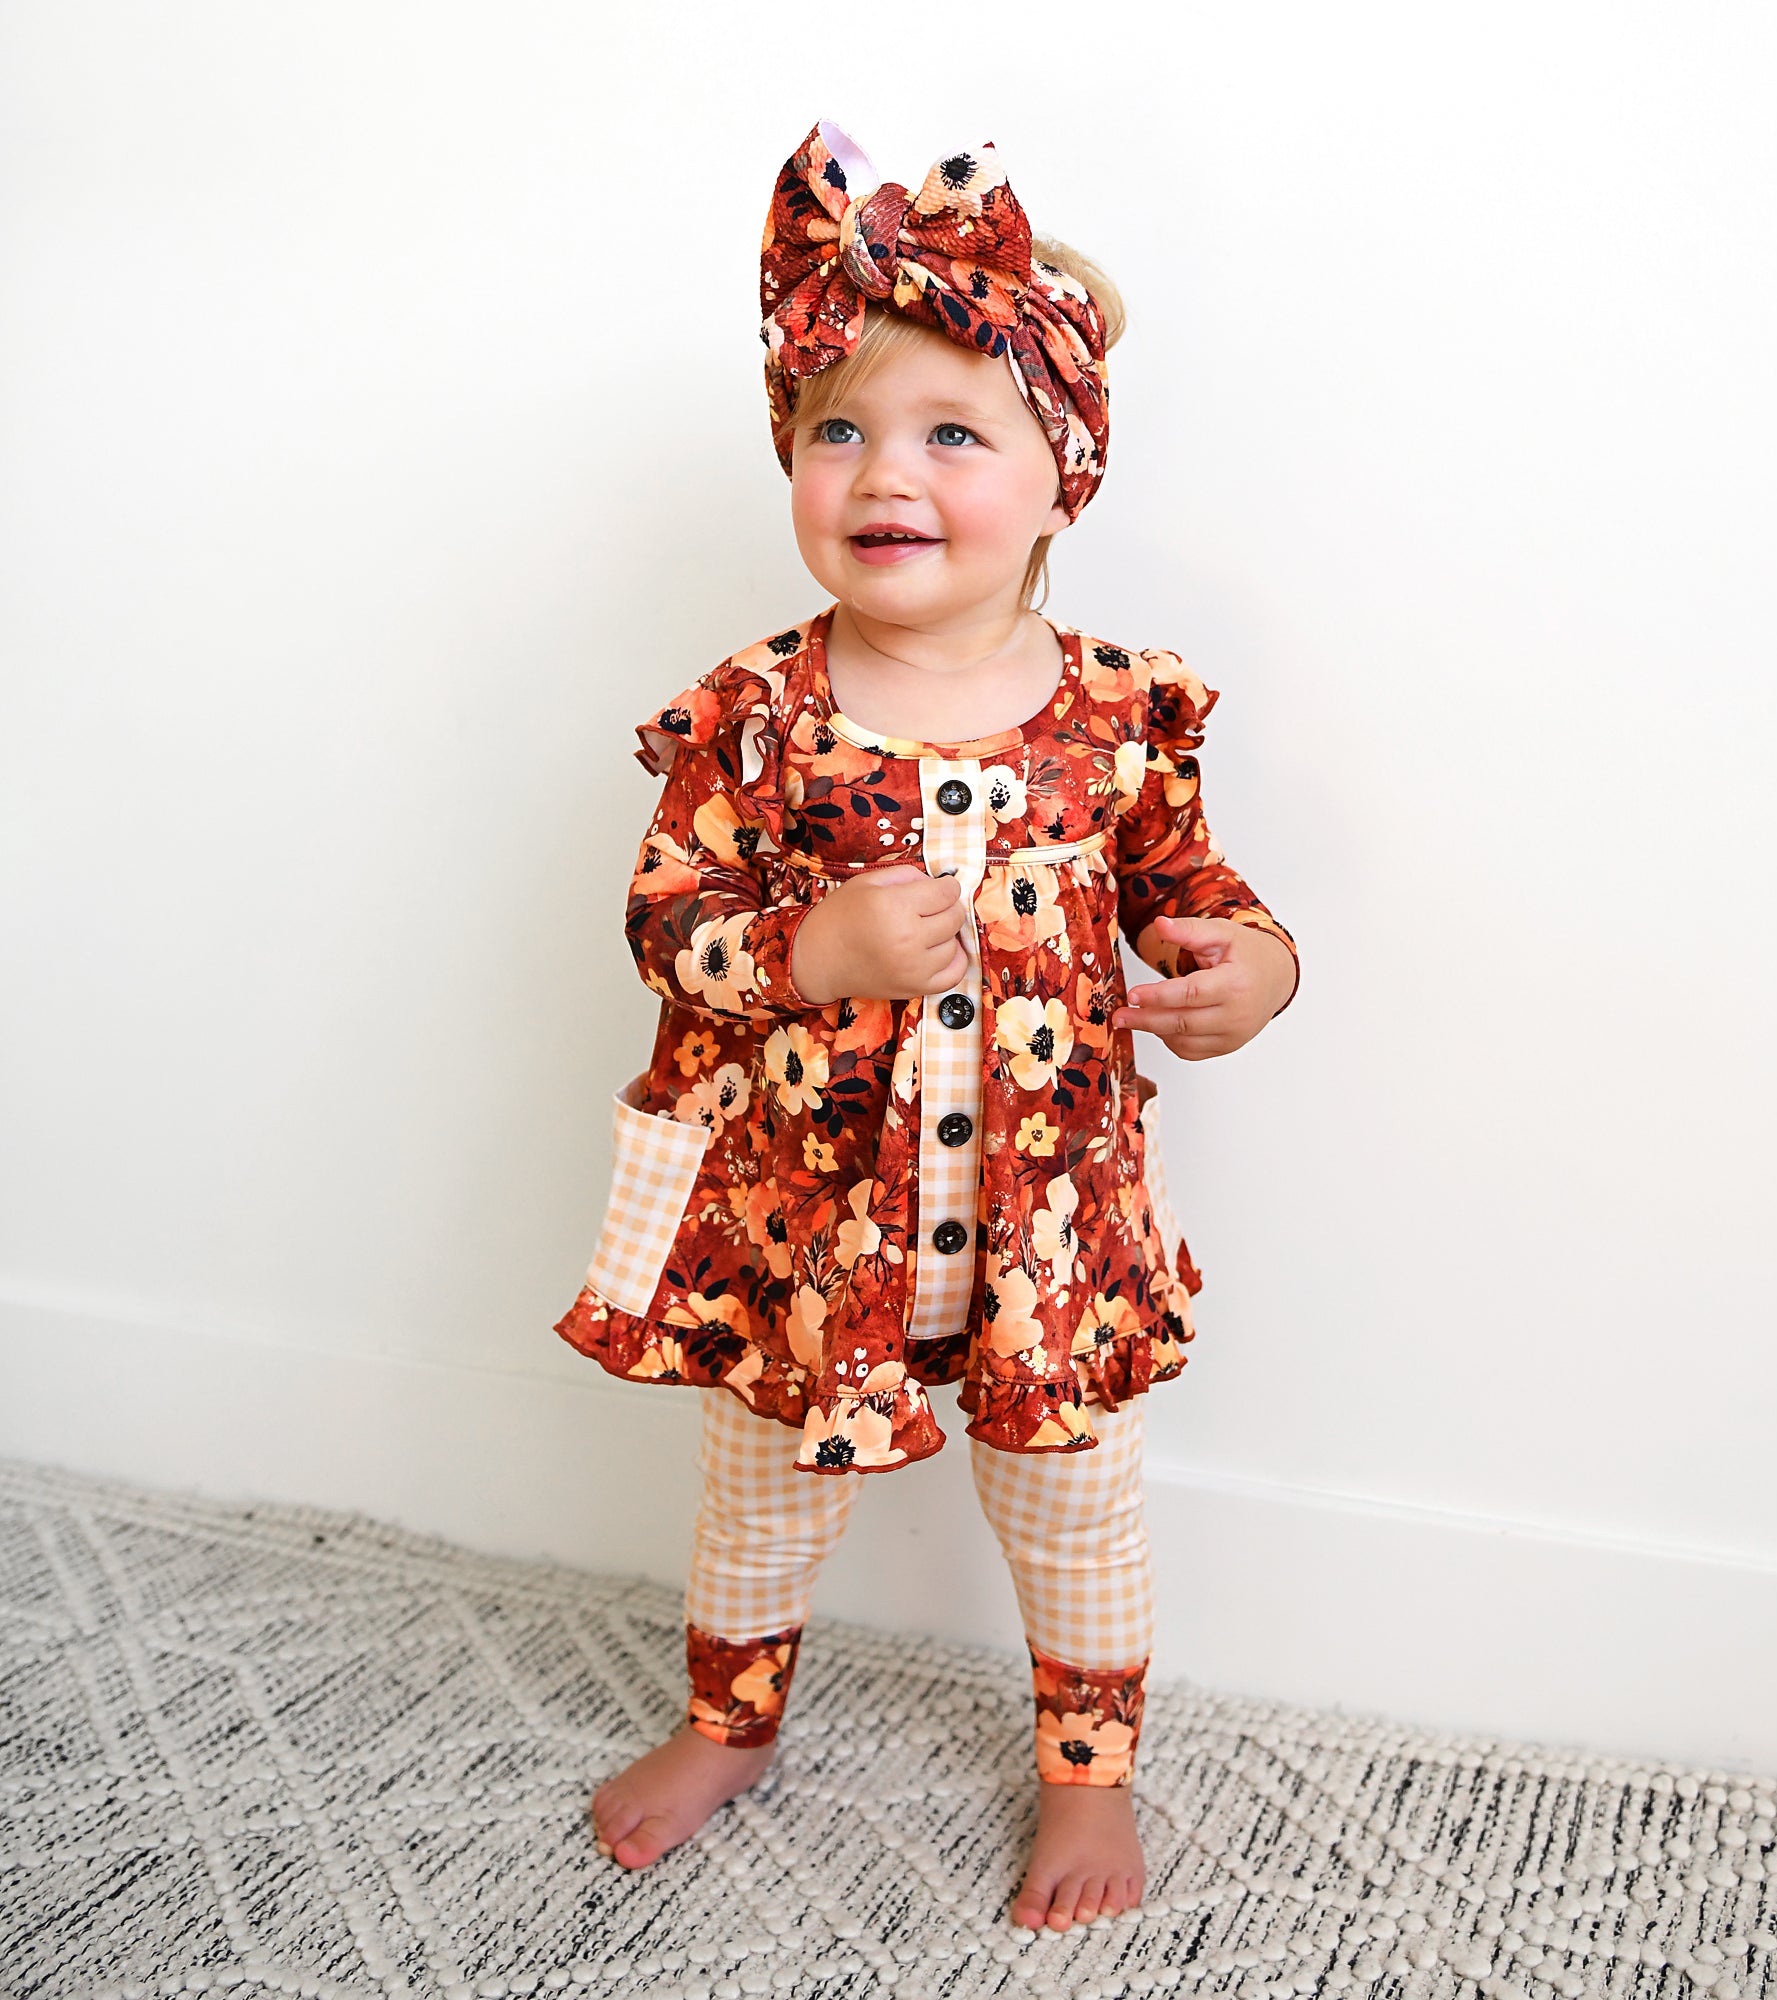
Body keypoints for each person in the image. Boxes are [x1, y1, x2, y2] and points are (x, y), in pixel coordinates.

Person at [555, 120, 1300, 1933]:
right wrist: (812, 949)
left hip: (1054, 1238)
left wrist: (1252, 971)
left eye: (954, 434)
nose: (883, 470)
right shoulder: (757, 715)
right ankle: (729, 1728)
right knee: (759, 1497)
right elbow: (668, 925)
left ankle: (1088, 1777)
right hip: (812, 1233)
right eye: (837, 430)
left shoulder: (1118, 716)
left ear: (1064, 480)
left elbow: (1196, 891)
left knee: (1075, 1508)